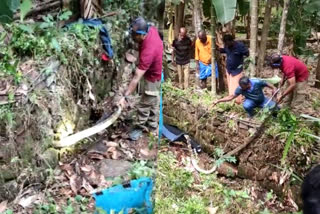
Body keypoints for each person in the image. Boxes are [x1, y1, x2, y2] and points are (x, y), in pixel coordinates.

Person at [118, 17, 163, 134]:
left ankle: (139, 127)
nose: (132, 37)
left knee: (145, 103)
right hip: (152, 68)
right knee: (153, 101)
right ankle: (152, 125)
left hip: (153, 76)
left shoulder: (148, 52)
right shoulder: (151, 29)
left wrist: (125, 96)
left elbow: (136, 78)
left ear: (142, 35)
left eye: (134, 35)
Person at [212, 76, 278, 118]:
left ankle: (274, 118)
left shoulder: (257, 82)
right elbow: (231, 97)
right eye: (242, 87)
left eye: (244, 88)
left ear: (248, 84)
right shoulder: (240, 88)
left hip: (262, 100)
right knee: (246, 105)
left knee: (276, 108)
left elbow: (269, 85)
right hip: (251, 101)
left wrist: (274, 90)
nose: (242, 89)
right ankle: (252, 116)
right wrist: (218, 101)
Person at [217, 34, 249, 104]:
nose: (227, 45)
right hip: (229, 69)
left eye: (227, 43)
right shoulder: (227, 45)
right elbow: (225, 50)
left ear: (232, 41)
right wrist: (219, 49)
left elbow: (247, 54)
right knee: (231, 86)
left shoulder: (240, 46)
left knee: (237, 87)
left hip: (237, 70)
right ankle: (231, 100)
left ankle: (238, 101)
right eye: (225, 43)